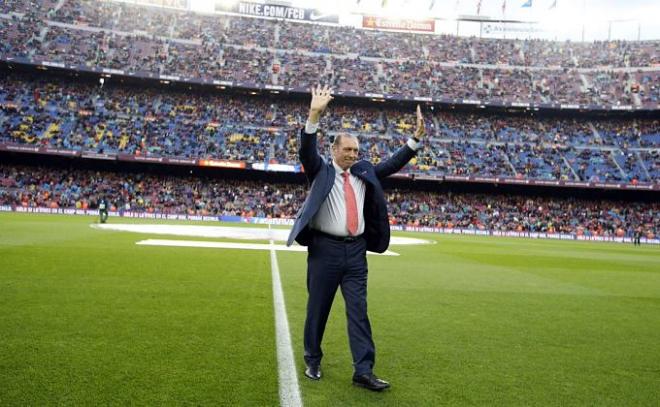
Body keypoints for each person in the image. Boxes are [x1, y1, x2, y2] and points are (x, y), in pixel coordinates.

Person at [286, 85, 425, 391]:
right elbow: (306, 151)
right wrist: (314, 115)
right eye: (347, 150)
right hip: (325, 251)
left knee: (359, 312)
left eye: (356, 151)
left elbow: (390, 164)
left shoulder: (363, 171)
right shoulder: (320, 170)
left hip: (356, 253)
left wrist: (414, 140)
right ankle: (312, 359)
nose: (352, 155)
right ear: (334, 150)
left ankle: (363, 370)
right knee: (318, 309)